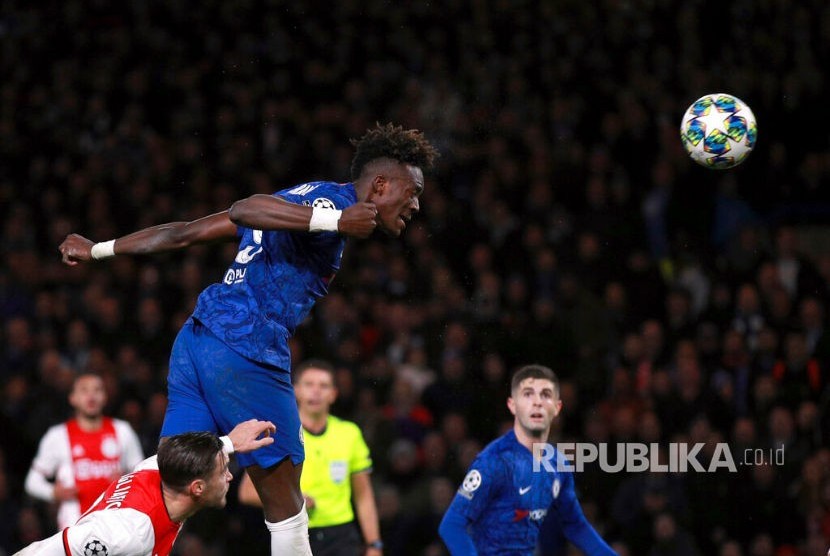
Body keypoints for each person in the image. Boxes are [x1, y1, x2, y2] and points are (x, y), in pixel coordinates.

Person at [58, 123, 438, 554]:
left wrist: (98, 249)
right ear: (382, 184)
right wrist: (334, 219)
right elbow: (244, 209)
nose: (417, 204)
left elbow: (184, 233)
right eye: (413, 191)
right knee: (287, 506)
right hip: (246, 349)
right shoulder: (331, 202)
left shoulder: (305, 199)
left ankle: (65, 547)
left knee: (178, 481)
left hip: (195, 342)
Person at [13, 419, 276, 556]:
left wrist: (229, 443)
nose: (230, 477)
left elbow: (181, 453)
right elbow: (41, 551)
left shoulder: (159, 469)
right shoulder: (128, 532)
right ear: (197, 488)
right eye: (223, 472)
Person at [438, 364, 616, 555]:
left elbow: (575, 526)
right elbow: (451, 526)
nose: (537, 402)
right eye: (528, 394)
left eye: (545, 395)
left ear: (557, 408)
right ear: (512, 405)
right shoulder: (493, 461)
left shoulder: (558, 464)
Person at [238, 359, 382, 555]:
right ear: (296, 390)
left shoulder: (350, 433)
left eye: (323, 386)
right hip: (293, 531)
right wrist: (295, 500)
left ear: (333, 394)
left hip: (341, 537)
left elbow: (364, 495)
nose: (316, 391)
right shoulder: (277, 432)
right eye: (309, 384)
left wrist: (374, 544)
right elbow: (247, 493)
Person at [24, 372, 145, 531]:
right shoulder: (57, 436)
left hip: (117, 526)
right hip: (74, 527)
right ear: (72, 398)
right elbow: (32, 482)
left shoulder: (123, 431)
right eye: (84, 390)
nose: (91, 396)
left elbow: (144, 476)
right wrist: (54, 493)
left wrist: (125, 480)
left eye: (97, 390)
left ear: (105, 397)